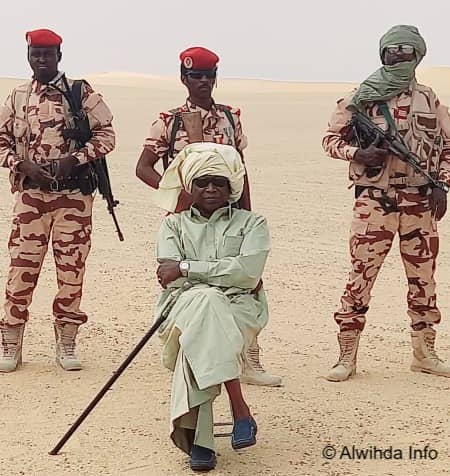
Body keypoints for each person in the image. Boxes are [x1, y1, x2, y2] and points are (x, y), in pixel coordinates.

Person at [136, 46, 281, 386]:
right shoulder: (168, 122)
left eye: (208, 76)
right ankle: (193, 356)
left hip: (230, 218)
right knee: (191, 285)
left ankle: (248, 358)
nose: (203, 82)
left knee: (242, 286)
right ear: (184, 78)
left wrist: (246, 215)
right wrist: (177, 198)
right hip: (188, 222)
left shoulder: (231, 118)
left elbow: (240, 171)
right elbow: (143, 168)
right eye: (195, 76)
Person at [322, 25, 450, 382]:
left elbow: (447, 147)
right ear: (383, 55)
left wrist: (442, 184)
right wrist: (359, 153)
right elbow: (329, 140)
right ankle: (346, 355)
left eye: (407, 50)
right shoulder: (361, 99)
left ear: (418, 56)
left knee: (423, 280)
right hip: (374, 202)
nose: (400, 56)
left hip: (419, 202)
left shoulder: (429, 99)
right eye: (393, 50)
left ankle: (425, 353)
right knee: (360, 278)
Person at [0, 29, 115, 372]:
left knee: (71, 271)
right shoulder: (18, 98)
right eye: (36, 53)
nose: (41, 60)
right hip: (32, 199)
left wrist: (76, 159)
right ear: (28, 55)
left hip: (73, 201)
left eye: (48, 54)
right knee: (22, 268)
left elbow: (107, 136)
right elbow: (1, 141)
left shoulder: (81, 94)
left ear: (59, 56)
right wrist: (22, 165)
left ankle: (67, 340)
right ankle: (10, 340)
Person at [154, 142, 269, 471]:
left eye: (219, 182)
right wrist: (220, 274)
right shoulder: (173, 224)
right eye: (202, 181)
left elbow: (248, 274)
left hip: (241, 307)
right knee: (206, 307)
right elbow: (169, 278)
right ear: (190, 186)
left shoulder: (253, 223)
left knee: (202, 326)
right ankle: (240, 408)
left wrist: (189, 268)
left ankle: (199, 442)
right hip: (180, 306)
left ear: (231, 188)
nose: (210, 189)